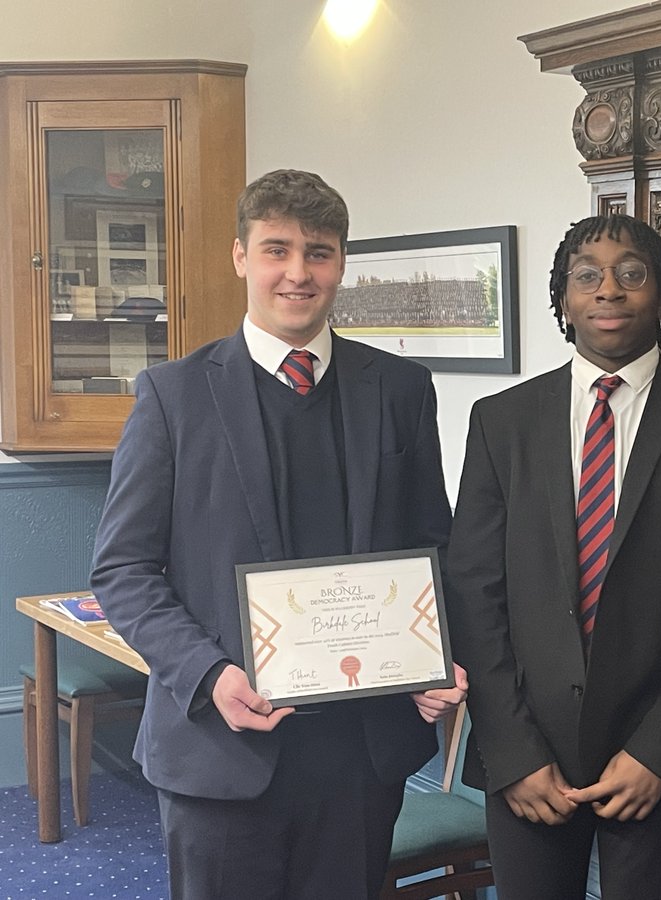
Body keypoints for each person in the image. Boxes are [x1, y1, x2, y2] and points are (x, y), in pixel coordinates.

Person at [91, 169, 467, 900]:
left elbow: (435, 547)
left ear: (342, 264)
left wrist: (439, 656)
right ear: (241, 256)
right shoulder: (172, 398)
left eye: (318, 253)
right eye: (277, 249)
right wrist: (209, 677)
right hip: (222, 746)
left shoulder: (400, 390)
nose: (298, 273)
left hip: (361, 754)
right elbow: (124, 570)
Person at [446, 213, 661, 899]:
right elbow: (473, 590)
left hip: (653, 758)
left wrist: (659, 751)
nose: (608, 290)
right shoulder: (502, 422)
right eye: (586, 276)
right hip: (526, 753)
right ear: (564, 299)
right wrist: (513, 749)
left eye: (631, 274)